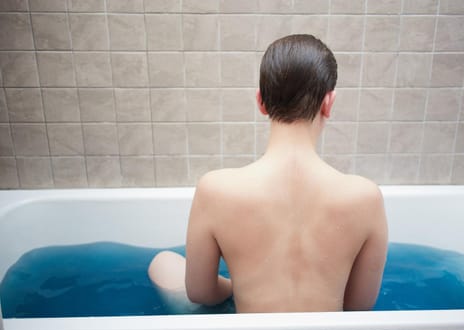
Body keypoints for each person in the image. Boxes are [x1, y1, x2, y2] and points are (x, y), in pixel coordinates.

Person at [148, 34, 388, 313]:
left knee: (162, 262)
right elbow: (359, 305)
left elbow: (200, 291)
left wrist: (237, 286)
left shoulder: (215, 189)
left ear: (261, 102)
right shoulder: (365, 197)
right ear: (328, 103)